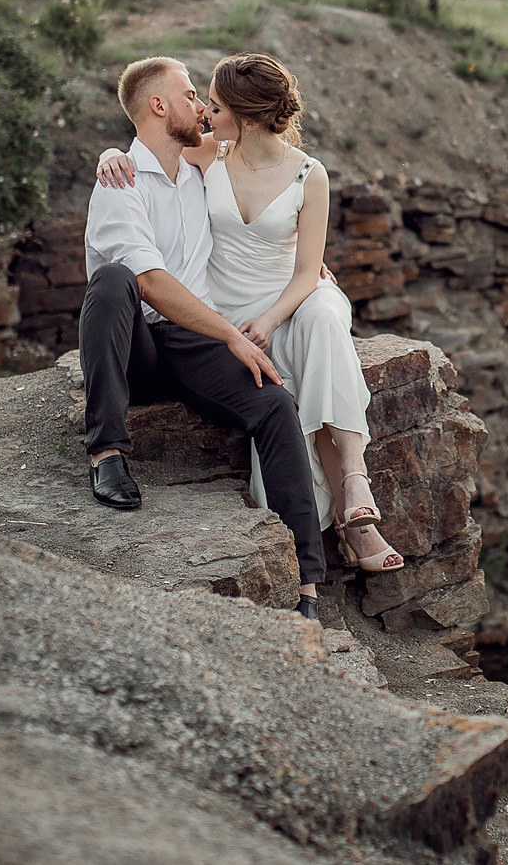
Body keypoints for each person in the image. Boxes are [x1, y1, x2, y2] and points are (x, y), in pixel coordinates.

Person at [96, 51, 404, 575]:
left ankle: (356, 485)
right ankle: (344, 517)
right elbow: (148, 144)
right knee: (291, 377)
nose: (203, 110)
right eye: (199, 100)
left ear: (248, 117)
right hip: (227, 307)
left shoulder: (309, 174)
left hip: (289, 296)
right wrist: (108, 154)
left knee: (323, 321)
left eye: (213, 105)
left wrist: (275, 313)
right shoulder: (207, 154)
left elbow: (306, 270)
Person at [80, 55, 329, 620]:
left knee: (276, 403)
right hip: (138, 348)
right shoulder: (118, 181)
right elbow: (150, 281)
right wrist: (233, 338)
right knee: (114, 279)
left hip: (194, 344)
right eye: (191, 95)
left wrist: (311, 263)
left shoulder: (203, 168)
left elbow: (262, 211)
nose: (202, 106)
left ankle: (307, 585)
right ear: (158, 106)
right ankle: (107, 453)